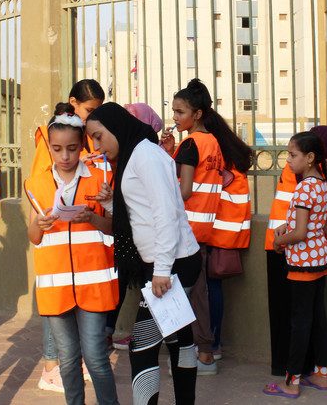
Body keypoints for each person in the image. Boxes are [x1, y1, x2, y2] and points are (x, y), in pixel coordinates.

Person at [87, 102, 201, 405]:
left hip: (170, 263)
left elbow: (165, 214)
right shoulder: (133, 155)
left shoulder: (146, 156)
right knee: (178, 339)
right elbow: (139, 215)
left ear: (115, 128)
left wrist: (162, 270)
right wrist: (113, 204)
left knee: (143, 346)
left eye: (99, 137)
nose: (97, 146)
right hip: (165, 261)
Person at [25, 105, 119, 405]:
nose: (65, 156)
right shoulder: (37, 184)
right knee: (67, 358)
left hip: (93, 283)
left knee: (95, 356)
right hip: (55, 285)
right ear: (48, 148)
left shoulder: (99, 178)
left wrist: (92, 218)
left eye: (72, 148)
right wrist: (38, 225)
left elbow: (114, 228)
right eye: (57, 149)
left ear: (83, 146)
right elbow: (33, 236)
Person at [265, 126, 327, 377]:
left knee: (300, 319)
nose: (288, 160)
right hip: (309, 254)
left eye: (292, 155)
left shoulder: (305, 183)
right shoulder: (317, 181)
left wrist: (281, 241)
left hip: (298, 254)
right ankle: (318, 372)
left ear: (308, 156)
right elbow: (317, 220)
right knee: (312, 316)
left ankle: (292, 378)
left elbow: (303, 227)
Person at [160, 79, 225, 374]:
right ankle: (203, 348)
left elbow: (184, 191)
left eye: (180, 111)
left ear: (196, 114)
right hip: (206, 227)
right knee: (196, 291)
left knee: (191, 292)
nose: (175, 117)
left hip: (187, 229)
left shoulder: (191, 144)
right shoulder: (211, 142)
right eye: (173, 111)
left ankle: (204, 353)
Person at [108, 102, 163, 351]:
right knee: (137, 288)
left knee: (141, 289)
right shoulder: (133, 154)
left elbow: (160, 213)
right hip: (135, 239)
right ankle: (128, 333)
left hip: (146, 243)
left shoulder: (147, 155)